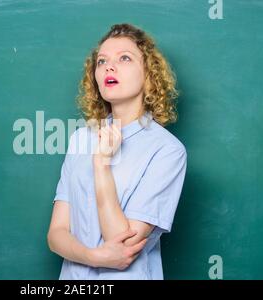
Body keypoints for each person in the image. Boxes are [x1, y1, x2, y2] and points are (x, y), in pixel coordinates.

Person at [47, 23, 187, 279]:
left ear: (149, 74)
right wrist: (93, 257)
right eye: (102, 61)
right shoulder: (81, 138)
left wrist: (101, 164)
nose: (109, 67)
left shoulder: (168, 151)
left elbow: (122, 245)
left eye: (124, 58)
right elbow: (56, 234)